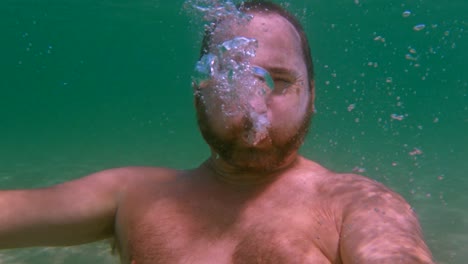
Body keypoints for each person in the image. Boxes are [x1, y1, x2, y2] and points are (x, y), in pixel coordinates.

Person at [0, 1, 434, 263]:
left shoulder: (357, 205)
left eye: (279, 81)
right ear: (199, 94)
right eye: (233, 77)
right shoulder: (130, 196)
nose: (254, 103)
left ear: (312, 95)